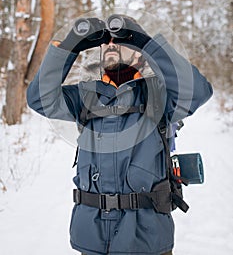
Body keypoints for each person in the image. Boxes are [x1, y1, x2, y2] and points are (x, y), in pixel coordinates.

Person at [27, 15, 213, 255]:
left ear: (137, 52)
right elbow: (39, 99)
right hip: (91, 236)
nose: (110, 45)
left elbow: (198, 91)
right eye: (106, 42)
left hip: (146, 238)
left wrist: (146, 43)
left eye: (120, 40)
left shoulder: (158, 94)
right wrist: (68, 47)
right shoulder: (86, 96)